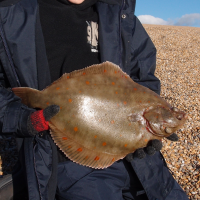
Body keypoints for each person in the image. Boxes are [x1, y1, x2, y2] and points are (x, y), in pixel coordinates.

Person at [0, 0, 189, 199]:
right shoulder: (13, 13)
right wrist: (20, 119)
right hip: (74, 169)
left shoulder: (119, 13)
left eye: (175, 114)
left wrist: (148, 135)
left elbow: (143, 78)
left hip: (145, 166)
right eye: (176, 115)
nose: (177, 116)